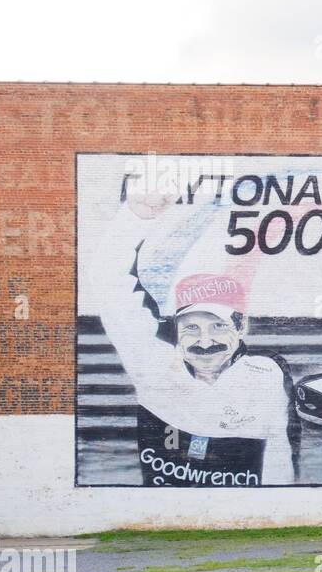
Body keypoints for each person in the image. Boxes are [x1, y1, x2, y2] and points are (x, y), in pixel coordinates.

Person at [89, 186, 297, 486]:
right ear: (176, 330)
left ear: (241, 328)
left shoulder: (266, 377)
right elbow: (108, 284)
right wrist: (134, 219)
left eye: (218, 326)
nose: (204, 341)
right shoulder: (154, 366)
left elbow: (279, 457)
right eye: (191, 328)